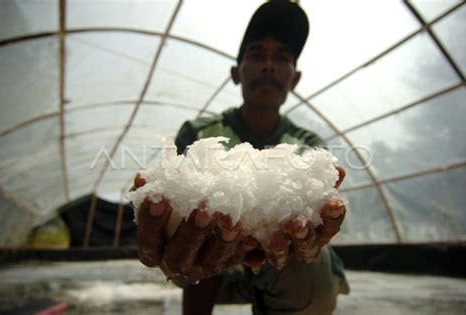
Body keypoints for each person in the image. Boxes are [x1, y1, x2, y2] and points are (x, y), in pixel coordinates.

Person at [132, 1, 350, 314]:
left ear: (295, 78)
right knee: (207, 223)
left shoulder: (308, 145)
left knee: (311, 267)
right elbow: (181, 227)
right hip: (216, 275)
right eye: (258, 54)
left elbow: (312, 221)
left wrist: (311, 234)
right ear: (235, 73)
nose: (270, 66)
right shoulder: (199, 133)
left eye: (282, 57)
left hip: (283, 268)